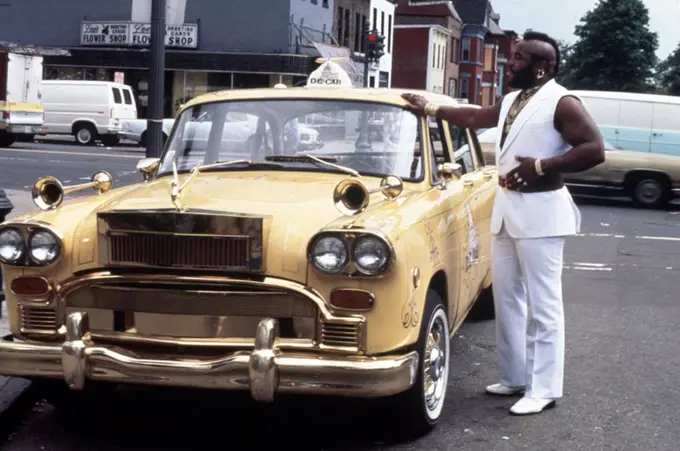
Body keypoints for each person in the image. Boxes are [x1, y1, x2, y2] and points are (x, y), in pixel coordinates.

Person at [402, 30, 605, 416]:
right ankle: (514, 377)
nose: (510, 65)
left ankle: (544, 388)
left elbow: (594, 149)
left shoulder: (562, 102)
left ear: (541, 68)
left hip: (542, 213)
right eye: (513, 57)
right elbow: (476, 117)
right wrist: (430, 108)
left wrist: (544, 165)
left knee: (544, 305)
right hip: (507, 210)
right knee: (507, 298)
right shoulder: (515, 98)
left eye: (519, 59)